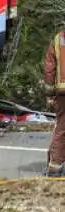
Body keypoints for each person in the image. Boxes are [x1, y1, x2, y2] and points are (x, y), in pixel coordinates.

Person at [42, 28, 65, 177]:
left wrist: (50, 94)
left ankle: (55, 167)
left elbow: (50, 68)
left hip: (62, 91)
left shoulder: (58, 39)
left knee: (62, 128)